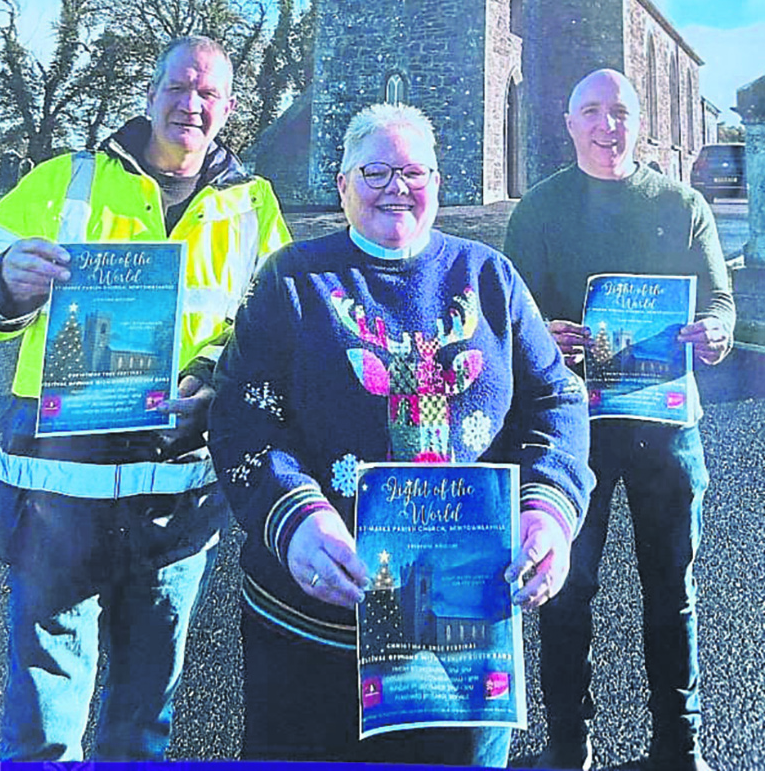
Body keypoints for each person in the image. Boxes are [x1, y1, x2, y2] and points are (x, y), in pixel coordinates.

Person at [207, 103, 595, 767]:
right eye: (375, 172)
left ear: (437, 183)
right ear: (342, 184)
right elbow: (243, 416)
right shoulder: (290, 280)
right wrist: (297, 519)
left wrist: (549, 511)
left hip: (459, 634)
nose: (396, 187)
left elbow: (555, 399)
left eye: (413, 172)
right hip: (310, 629)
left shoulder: (489, 278)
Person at [0, 35, 291, 760]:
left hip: (174, 495)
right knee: (44, 717)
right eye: (177, 86)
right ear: (150, 94)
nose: (190, 104)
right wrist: (5, 278)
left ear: (228, 108)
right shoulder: (64, 181)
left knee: (144, 715)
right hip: (60, 489)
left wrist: (215, 375)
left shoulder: (254, 205)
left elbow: (272, 325)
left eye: (208, 93)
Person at [504, 69, 735, 771]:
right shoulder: (538, 210)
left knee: (672, 590)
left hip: (668, 428)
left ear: (640, 122)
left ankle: (679, 748)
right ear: (568, 123)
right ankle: (568, 746)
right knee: (566, 591)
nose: (608, 126)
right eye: (592, 112)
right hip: (573, 433)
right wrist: (546, 334)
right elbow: (510, 321)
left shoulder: (682, 204)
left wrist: (717, 333)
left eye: (620, 112)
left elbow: (719, 302)